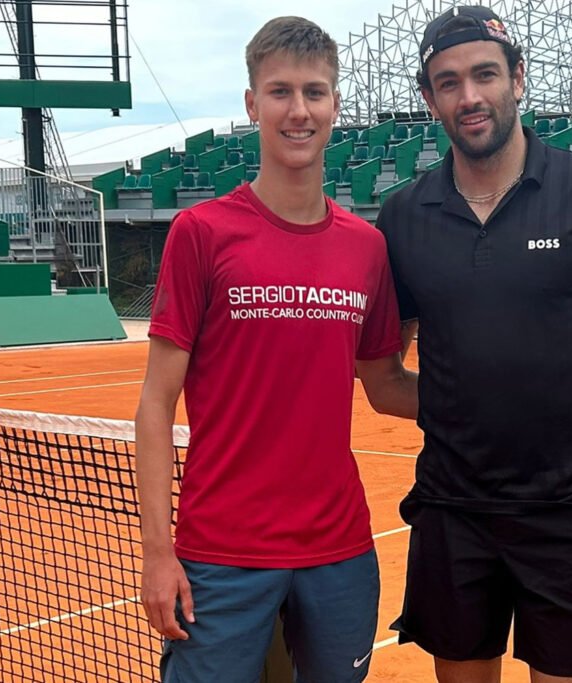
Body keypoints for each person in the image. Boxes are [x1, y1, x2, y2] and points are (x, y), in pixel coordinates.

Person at [377, 6, 572, 682]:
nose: (469, 96)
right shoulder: (401, 217)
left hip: (571, 516)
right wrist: (468, 405)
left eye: (485, 75)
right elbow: (383, 373)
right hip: (452, 515)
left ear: (518, 78)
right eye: (447, 82)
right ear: (429, 99)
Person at [134, 16, 417, 683]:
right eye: (281, 91)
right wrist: (156, 554)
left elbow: (384, 385)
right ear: (252, 103)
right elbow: (154, 406)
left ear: (336, 105)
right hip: (221, 555)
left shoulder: (366, 248)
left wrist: (496, 401)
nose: (299, 109)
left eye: (314, 92)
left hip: (339, 550)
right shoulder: (202, 233)